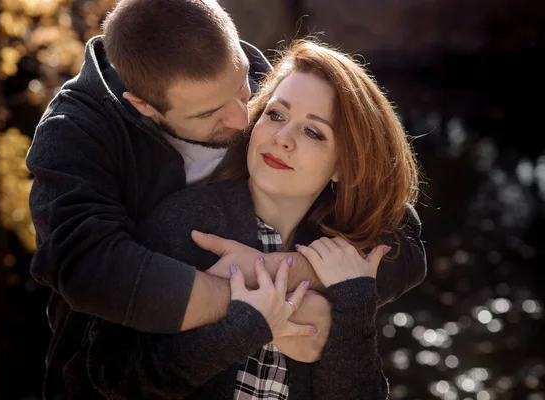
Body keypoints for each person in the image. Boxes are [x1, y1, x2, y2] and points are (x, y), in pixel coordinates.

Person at [26, 0, 426, 398]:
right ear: (143, 106)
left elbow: (395, 232)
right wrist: (261, 305)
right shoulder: (76, 132)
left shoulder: (275, 96)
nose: (242, 120)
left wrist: (290, 271)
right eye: (210, 114)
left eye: (244, 88)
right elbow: (86, 266)